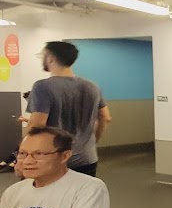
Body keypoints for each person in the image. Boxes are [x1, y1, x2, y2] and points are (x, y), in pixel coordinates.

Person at [26, 42, 112, 177]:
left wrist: (23, 155)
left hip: (55, 160)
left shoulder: (42, 86)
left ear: (50, 58)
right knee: (83, 191)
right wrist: (91, 143)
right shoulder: (92, 86)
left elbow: (37, 125)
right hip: (87, 159)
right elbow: (105, 117)